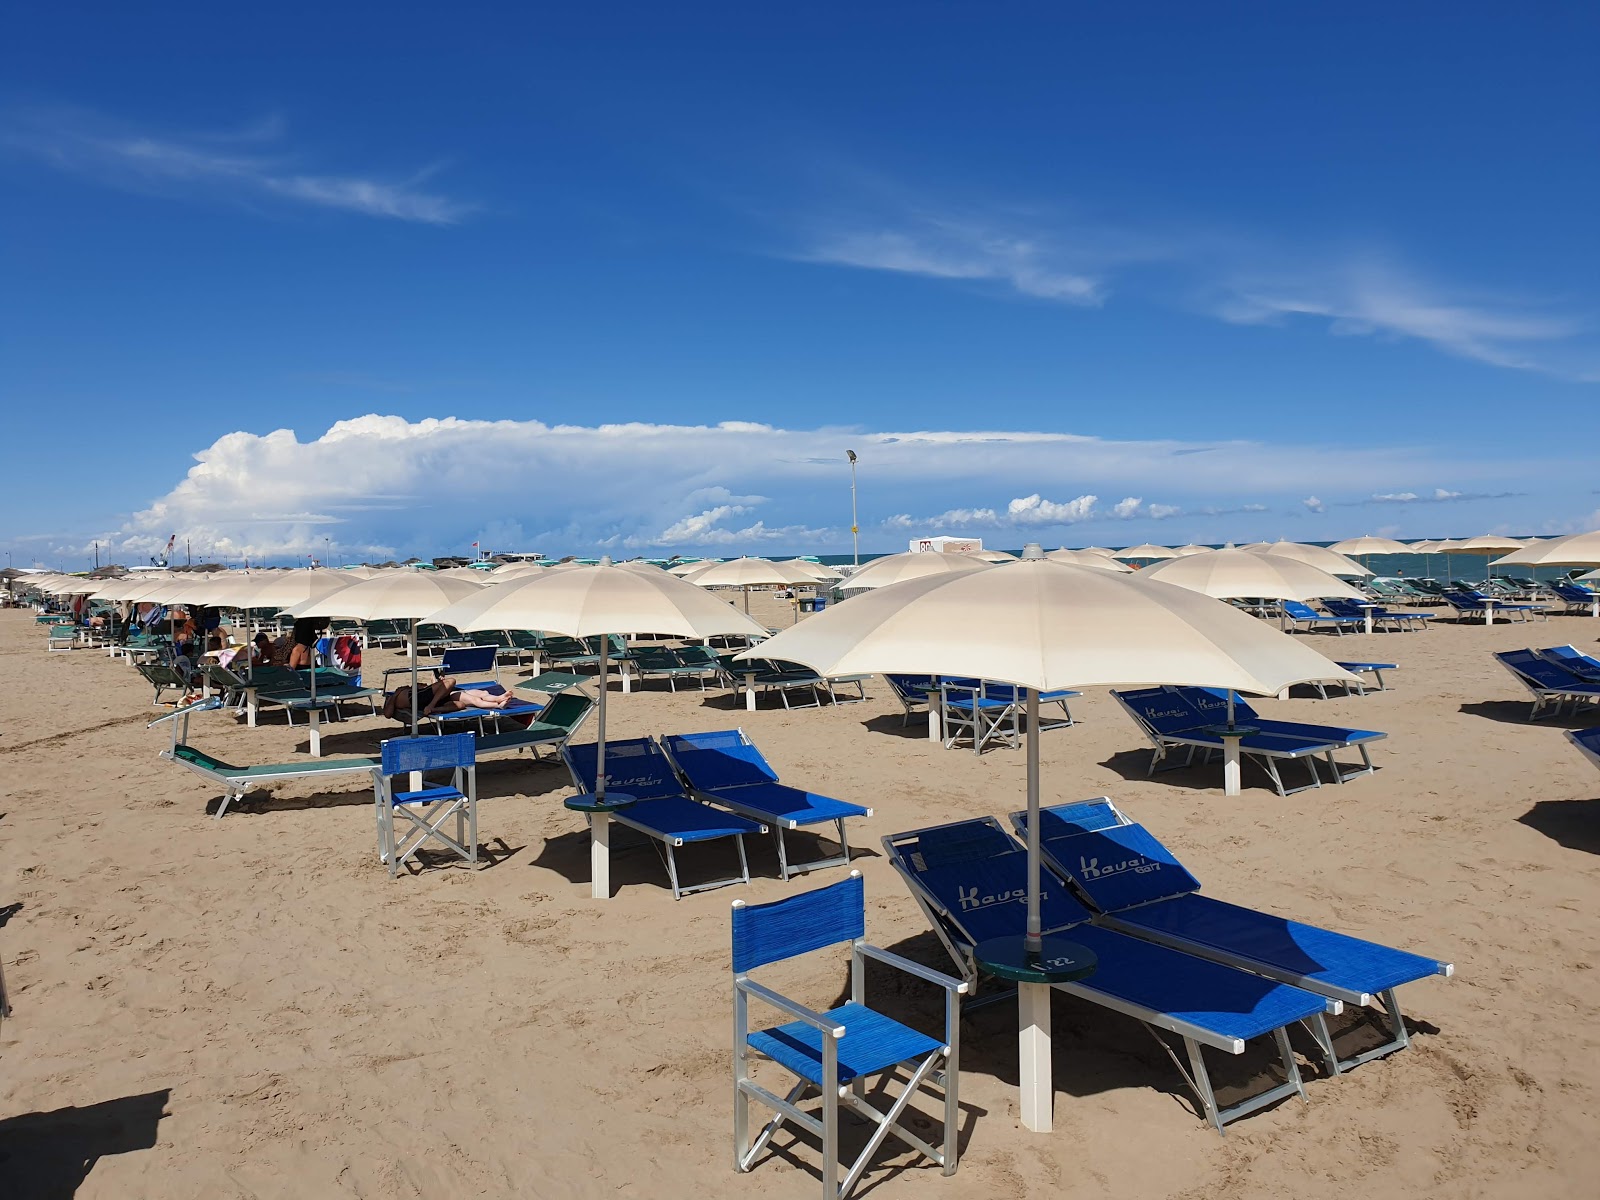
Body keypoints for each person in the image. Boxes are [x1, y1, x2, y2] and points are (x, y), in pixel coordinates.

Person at [383, 677, 523, 721]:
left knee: (469, 699)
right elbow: (387, 714)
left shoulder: (422, 690)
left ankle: (498, 701)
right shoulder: (397, 694)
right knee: (451, 681)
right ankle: (498, 703)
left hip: (431, 700)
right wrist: (396, 694)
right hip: (422, 700)